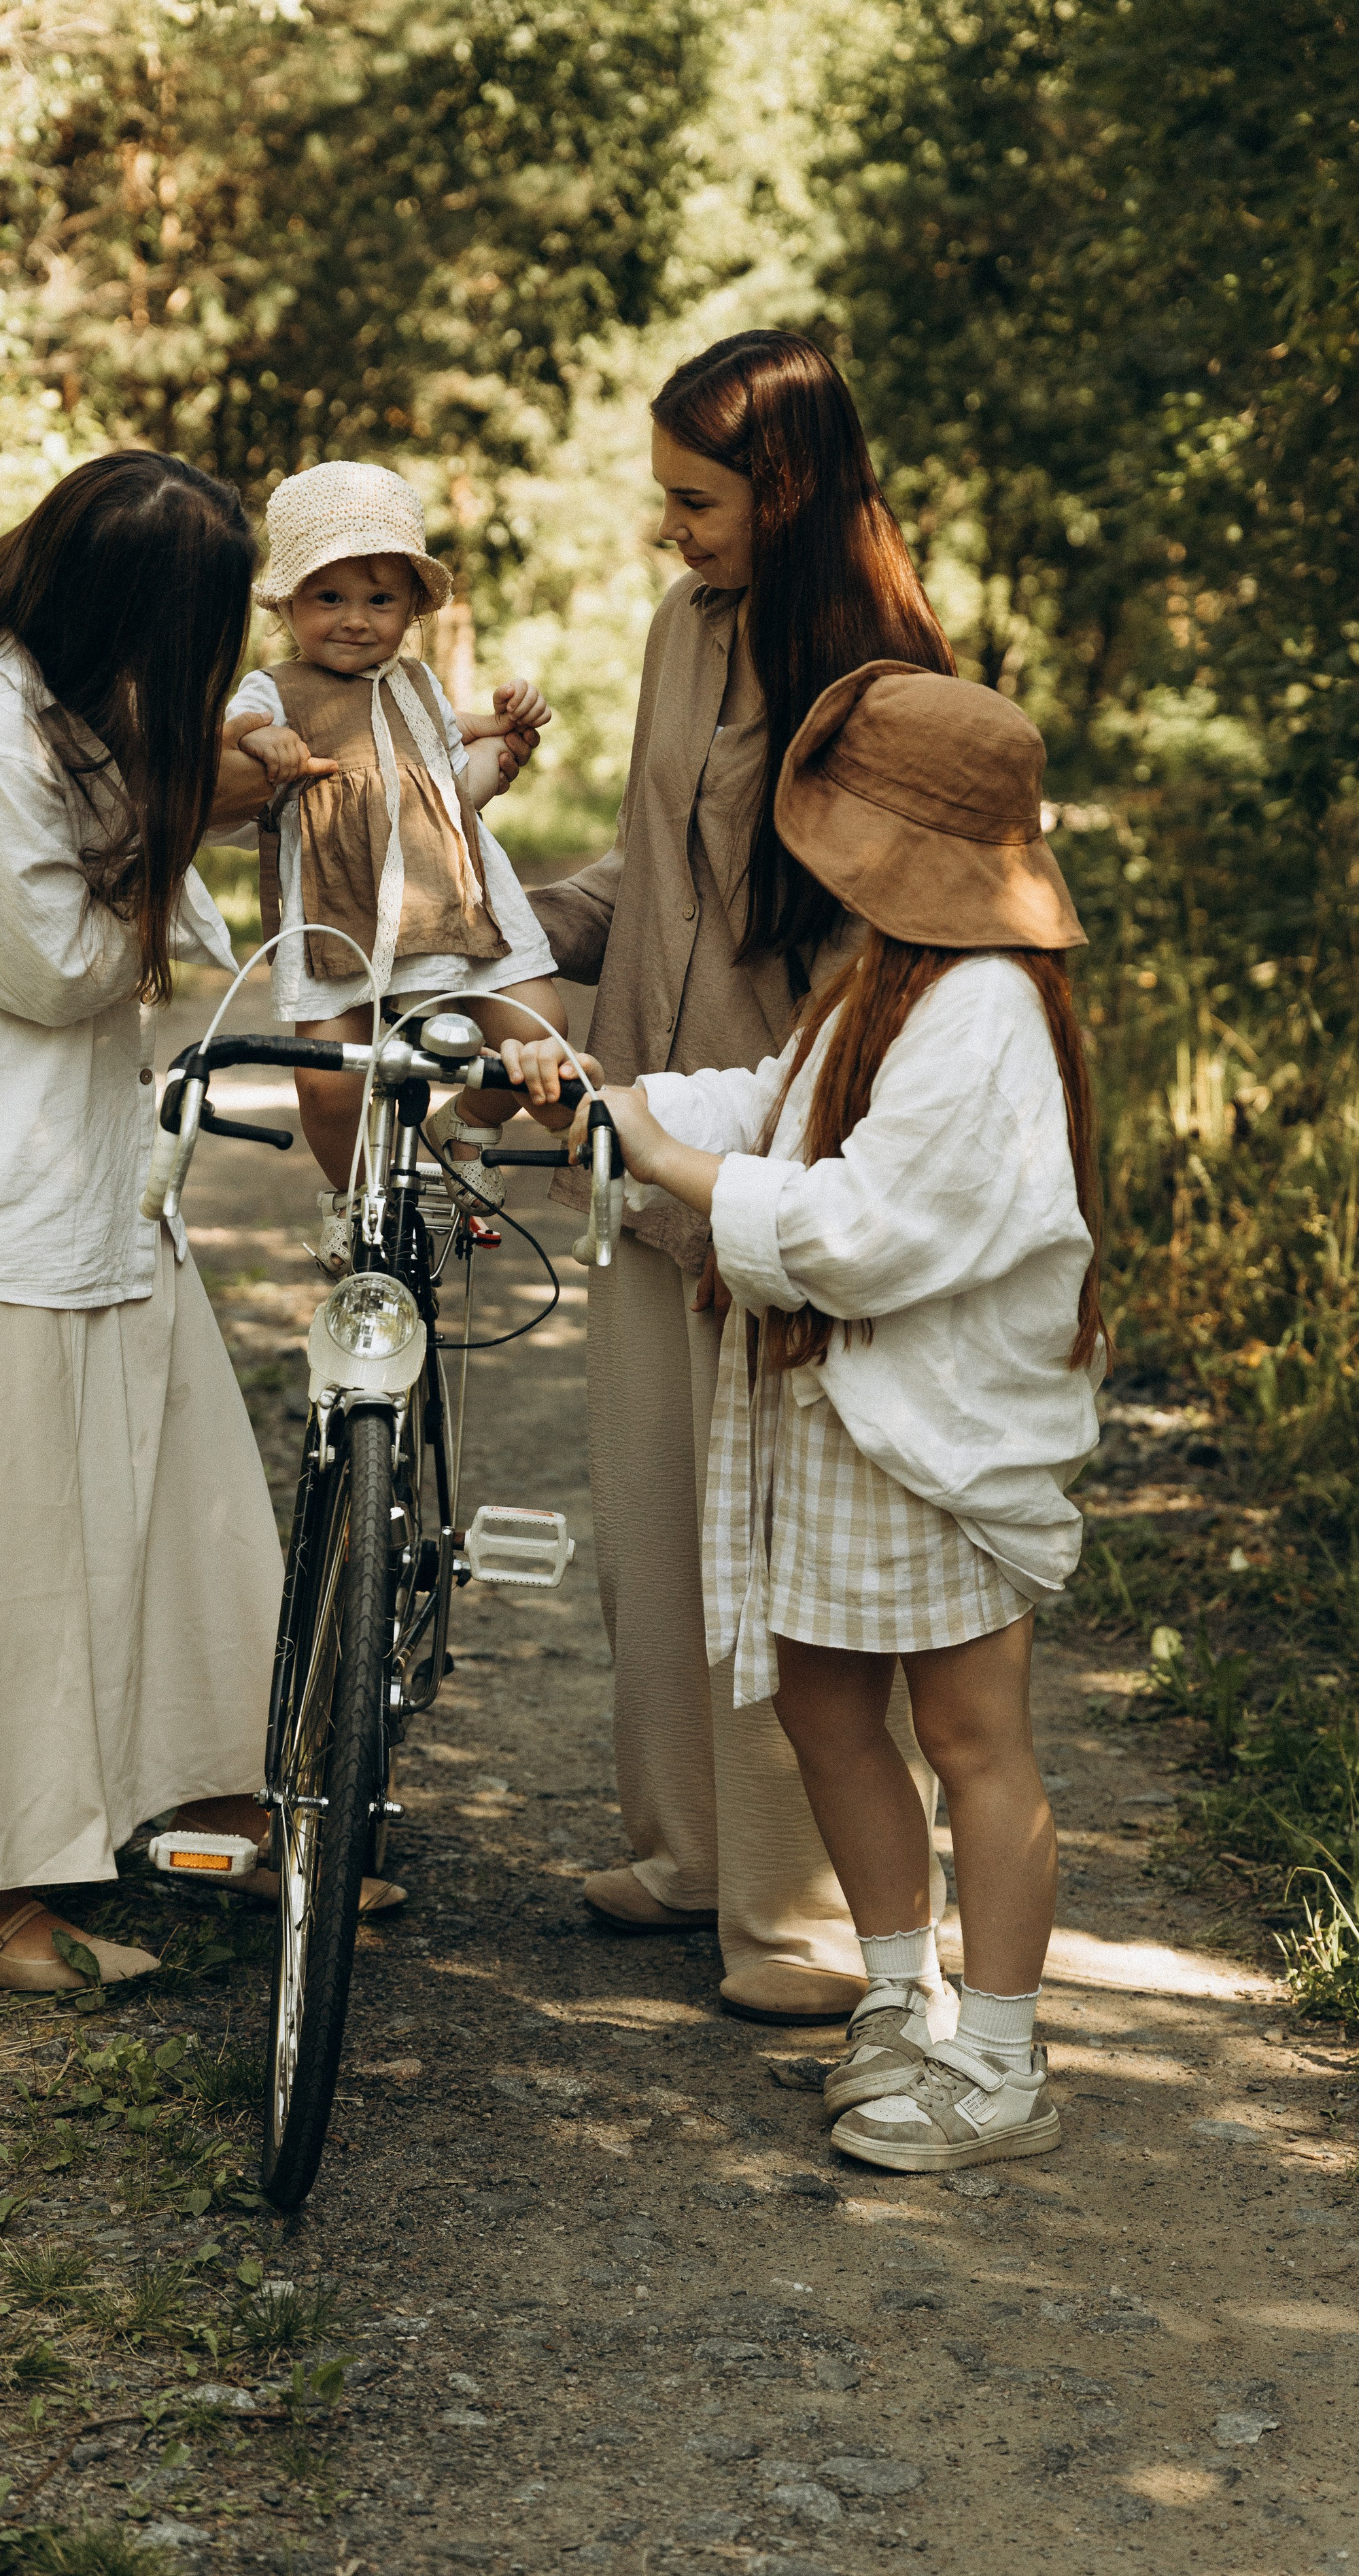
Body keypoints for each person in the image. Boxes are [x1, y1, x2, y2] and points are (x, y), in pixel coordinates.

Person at [0, 450, 371, 1996]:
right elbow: (51, 966)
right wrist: (199, 801)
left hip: (80, 1171)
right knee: (5, 1541)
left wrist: (192, 783)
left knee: (178, 1484)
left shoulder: (45, 678)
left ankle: (215, 1795)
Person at [551, 661, 1104, 2168]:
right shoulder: (887, 967)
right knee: (819, 1705)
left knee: (973, 1732)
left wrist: (668, 1169)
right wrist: (622, 1101)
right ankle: (893, 1995)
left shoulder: (982, 1009)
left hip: (934, 1430)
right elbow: (777, 1102)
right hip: (838, 1410)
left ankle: (997, 2064)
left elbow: (865, 1229)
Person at [526, 330, 959, 2025]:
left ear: (783, 488)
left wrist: (780, 1174)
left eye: (694, 502)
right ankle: (691, 1851)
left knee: (779, 1543)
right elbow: (649, 868)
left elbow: (890, 947)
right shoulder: (674, 631)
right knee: (649, 1516)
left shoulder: (878, 677)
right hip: (647, 1135)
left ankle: (797, 1912)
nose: (668, 532)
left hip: (781, 1166)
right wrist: (483, 912)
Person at [222, 459, 565, 1211]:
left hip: (448, 896)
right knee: (326, 1077)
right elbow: (230, 741)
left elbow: (453, 782)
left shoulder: (419, 687)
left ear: (412, 607)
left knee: (536, 1027)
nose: (355, 618)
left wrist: (510, 723)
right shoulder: (274, 691)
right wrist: (260, 743)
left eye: (380, 599)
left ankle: (467, 1130)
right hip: (337, 910)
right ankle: (358, 1199)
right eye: (329, 597)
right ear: (285, 604)